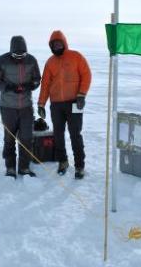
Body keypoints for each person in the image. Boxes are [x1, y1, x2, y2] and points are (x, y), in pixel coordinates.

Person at [37, 30, 91, 179]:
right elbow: (45, 84)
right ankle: (63, 161)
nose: (57, 46)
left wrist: (82, 95)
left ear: (64, 43)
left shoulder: (76, 57)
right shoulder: (50, 62)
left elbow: (86, 75)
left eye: (59, 43)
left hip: (75, 103)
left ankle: (79, 166)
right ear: (51, 46)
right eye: (54, 44)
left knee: (75, 134)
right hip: (56, 105)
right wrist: (41, 104)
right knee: (58, 135)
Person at [0, 36, 41, 178]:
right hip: (8, 107)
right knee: (9, 137)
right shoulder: (2, 61)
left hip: (26, 107)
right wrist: (9, 87)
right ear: (11, 51)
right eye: (16, 55)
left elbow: (37, 79)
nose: (20, 57)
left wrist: (30, 86)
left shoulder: (32, 60)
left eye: (22, 55)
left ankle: (24, 167)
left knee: (26, 137)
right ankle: (10, 167)